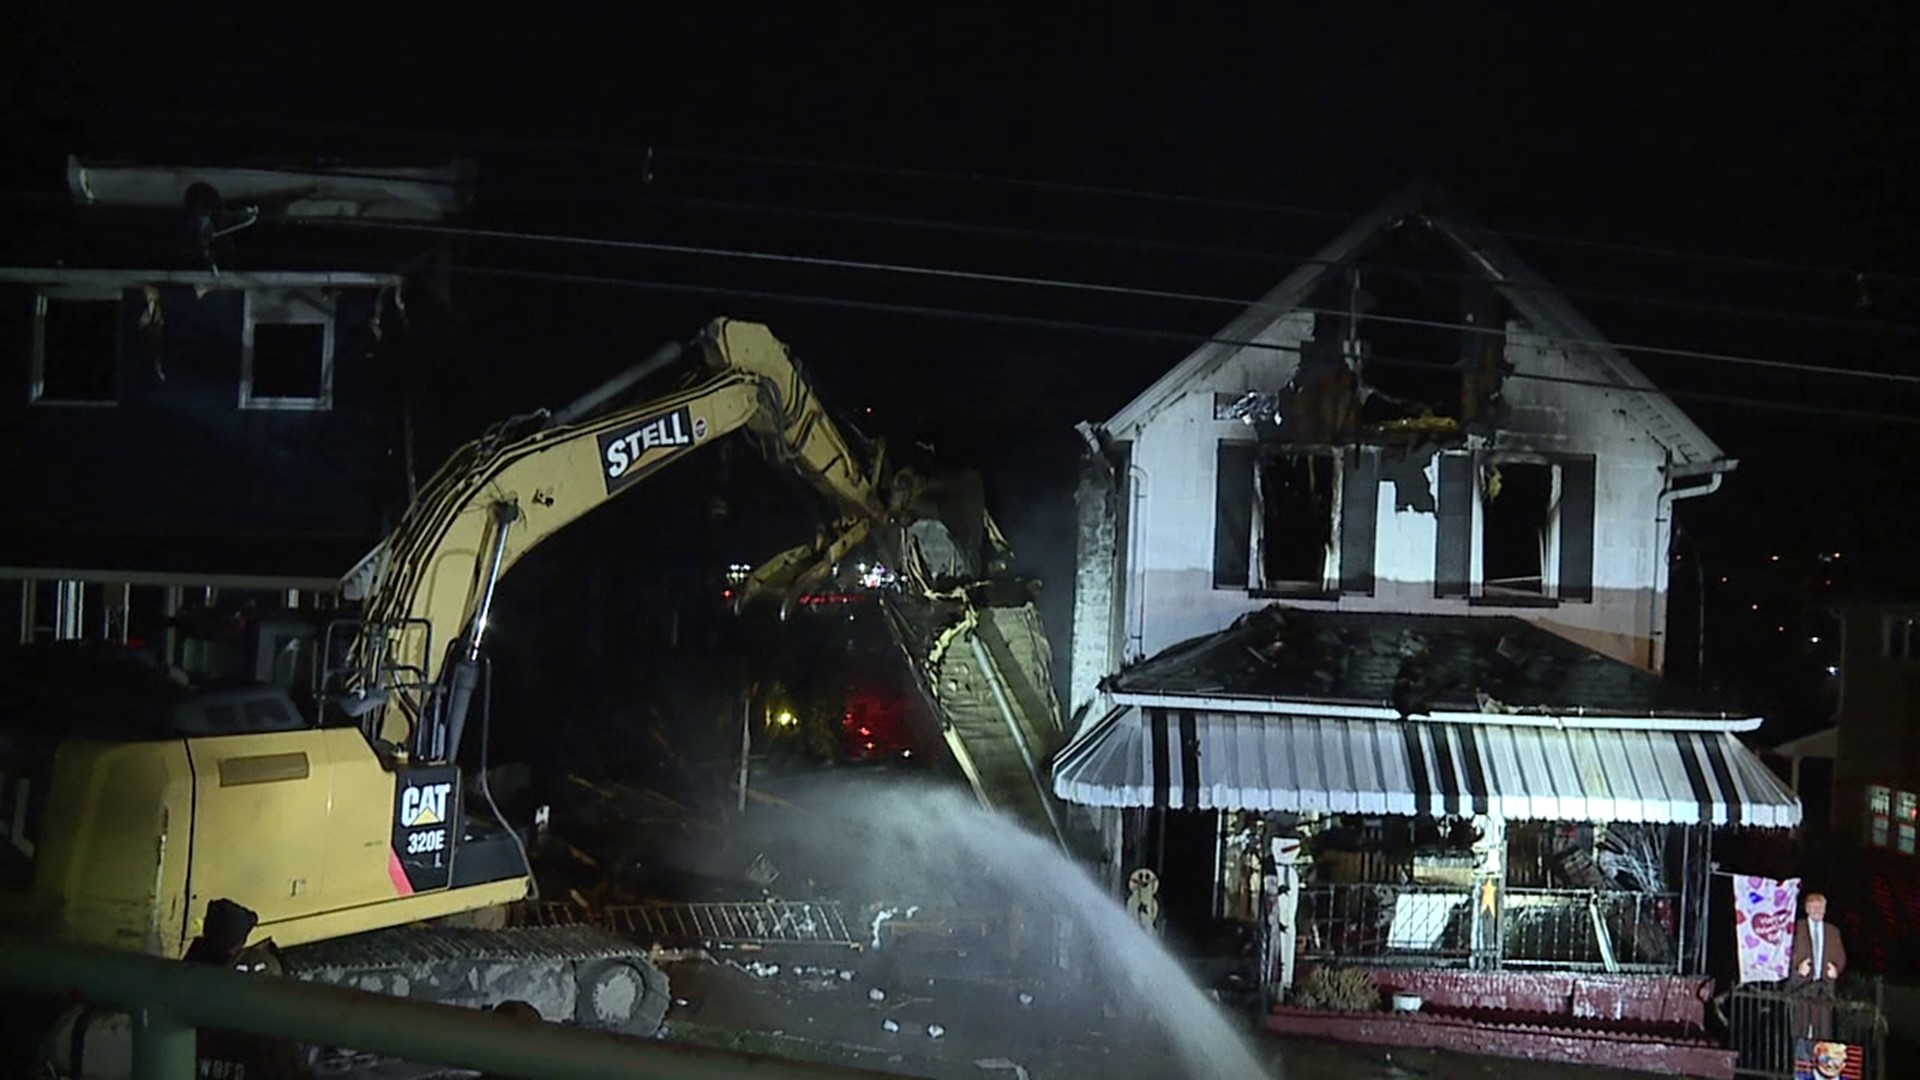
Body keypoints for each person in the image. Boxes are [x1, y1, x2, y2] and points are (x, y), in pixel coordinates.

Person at [1788, 891, 1847, 1040]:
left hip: (1824, 987)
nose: (1817, 911)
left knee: (1822, 1032)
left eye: (1820, 907)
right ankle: (1800, 1062)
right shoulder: (1796, 928)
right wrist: (1797, 968)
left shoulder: (1833, 932)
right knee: (1800, 1030)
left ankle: (1819, 1062)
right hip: (1801, 986)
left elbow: (1841, 956)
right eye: (1813, 907)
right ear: (1807, 909)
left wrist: (1836, 970)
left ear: (1825, 909)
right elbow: (1785, 952)